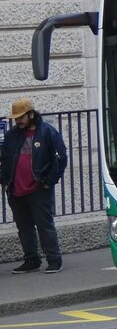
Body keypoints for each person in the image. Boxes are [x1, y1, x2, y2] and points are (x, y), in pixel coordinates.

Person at [0, 98, 68, 274]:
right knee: (24, 227)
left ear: (31, 114)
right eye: (16, 118)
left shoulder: (46, 132)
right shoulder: (12, 135)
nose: (18, 121)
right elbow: (5, 160)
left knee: (44, 224)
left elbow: (61, 157)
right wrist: (5, 182)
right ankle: (31, 260)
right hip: (16, 189)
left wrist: (49, 181)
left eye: (21, 117)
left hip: (38, 187)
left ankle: (54, 259)